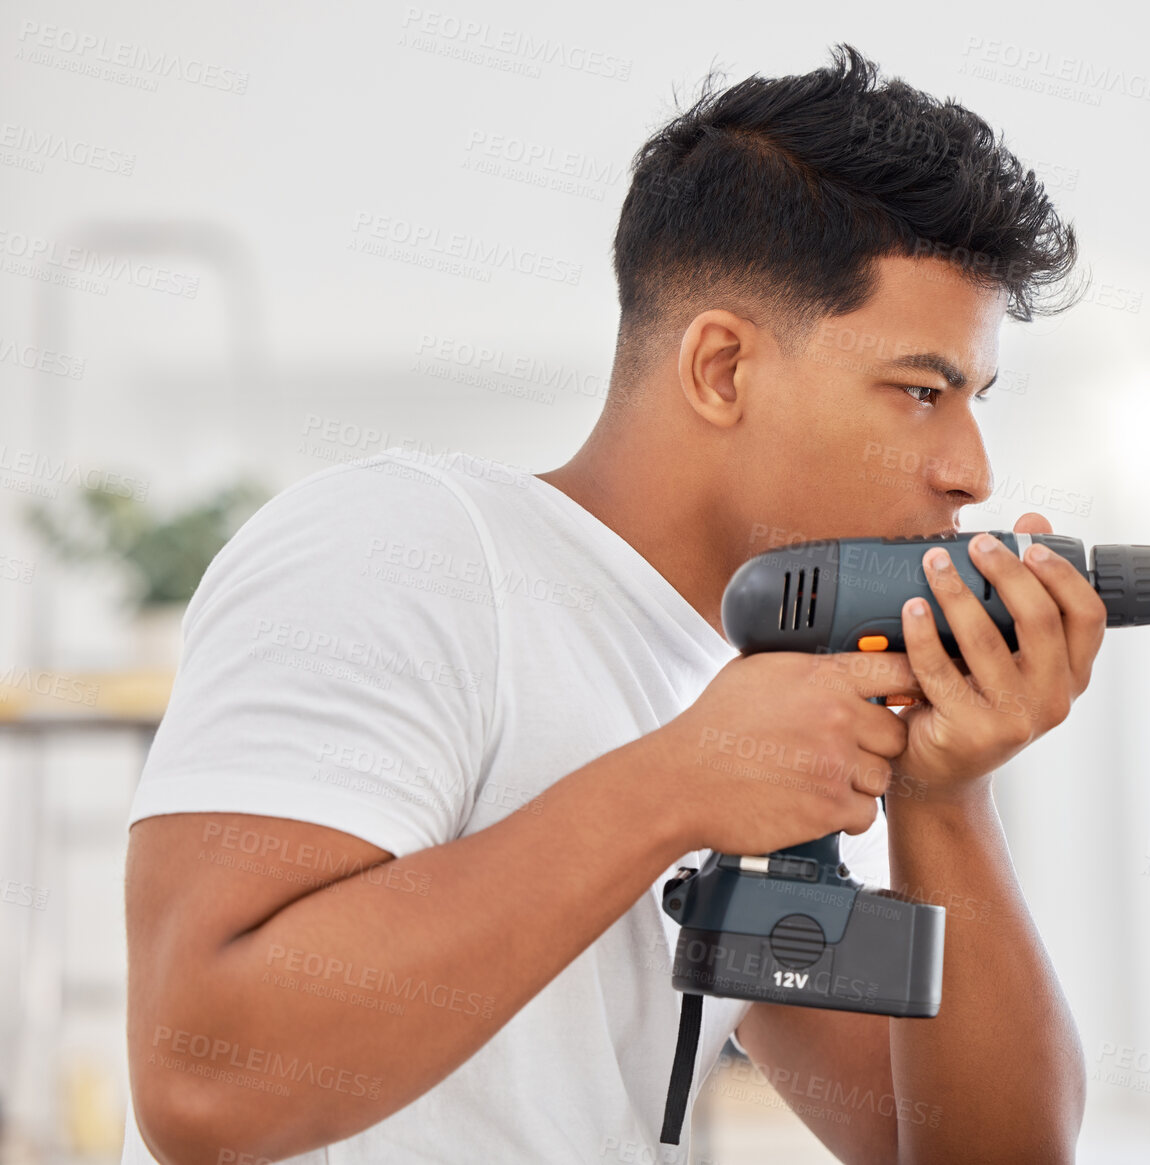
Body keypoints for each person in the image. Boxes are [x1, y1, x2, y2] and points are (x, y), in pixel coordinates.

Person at [122, 42, 1100, 1165]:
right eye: (919, 393)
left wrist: (945, 798)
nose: (972, 470)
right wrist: (675, 785)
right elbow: (203, 1092)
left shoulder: (765, 700)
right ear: (721, 368)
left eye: (973, 400)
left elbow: (962, 1153)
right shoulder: (402, 545)